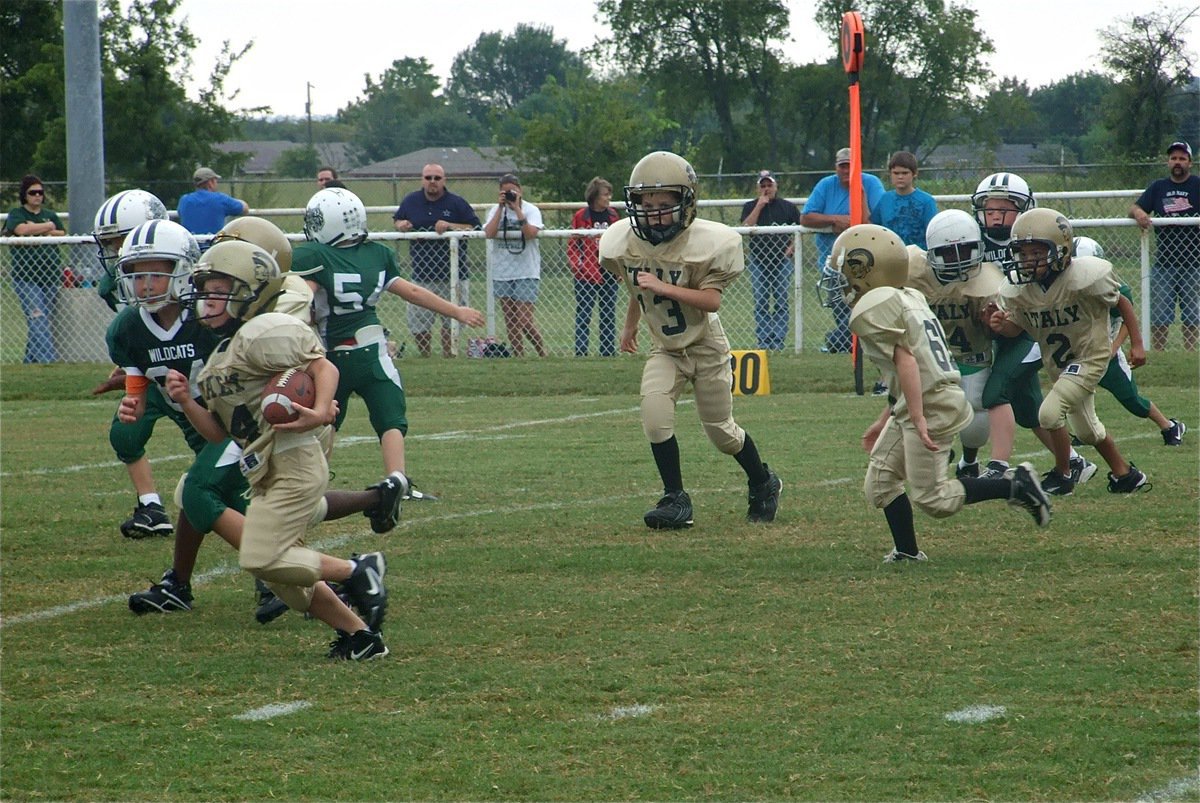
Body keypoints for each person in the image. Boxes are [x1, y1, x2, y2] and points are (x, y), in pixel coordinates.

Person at [124, 216, 403, 629]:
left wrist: (322, 405)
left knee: (226, 513)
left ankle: (349, 570)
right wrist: (174, 394)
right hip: (253, 440)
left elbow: (313, 364)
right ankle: (355, 627)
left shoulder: (271, 315)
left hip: (287, 431)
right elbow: (218, 416)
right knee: (274, 530)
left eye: (221, 280)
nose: (208, 294)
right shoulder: (217, 336)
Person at [819, 223, 1052, 562]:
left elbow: (907, 362)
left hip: (929, 404)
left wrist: (915, 416)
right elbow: (908, 366)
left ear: (867, 270)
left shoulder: (874, 308)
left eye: (845, 271)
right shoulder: (907, 295)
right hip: (924, 398)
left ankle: (1014, 484)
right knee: (881, 484)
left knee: (935, 500)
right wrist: (887, 417)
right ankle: (908, 552)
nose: (839, 281)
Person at [598, 151, 782, 529]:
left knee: (721, 432)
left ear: (686, 204)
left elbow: (712, 301)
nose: (653, 213)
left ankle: (763, 481)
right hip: (665, 348)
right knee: (654, 414)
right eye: (646, 204)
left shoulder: (708, 243)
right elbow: (637, 288)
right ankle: (675, 499)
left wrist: (663, 285)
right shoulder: (624, 242)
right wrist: (630, 325)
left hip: (706, 346)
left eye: (664, 205)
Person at [295, 187, 484, 506]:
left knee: (325, 420)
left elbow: (300, 297)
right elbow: (412, 291)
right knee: (390, 418)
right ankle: (398, 480)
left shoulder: (313, 256)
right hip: (372, 351)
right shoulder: (377, 254)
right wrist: (457, 311)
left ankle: (312, 486)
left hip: (330, 358)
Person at [989, 208, 1149, 495]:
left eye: (1035, 253)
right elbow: (1019, 328)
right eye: (1022, 254)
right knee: (1089, 431)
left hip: (1090, 356)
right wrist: (1002, 325)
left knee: (1048, 414)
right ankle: (1126, 475)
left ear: (1060, 250)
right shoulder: (1020, 290)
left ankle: (1064, 474)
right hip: (1060, 364)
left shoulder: (1084, 277)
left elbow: (1122, 301)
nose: (1026, 261)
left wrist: (1136, 343)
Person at [970, 172, 1095, 490]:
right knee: (1029, 411)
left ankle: (998, 466)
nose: (995, 214)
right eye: (989, 207)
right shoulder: (974, 243)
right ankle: (1076, 463)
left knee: (995, 392)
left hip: (1033, 329)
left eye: (1003, 208)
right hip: (1003, 331)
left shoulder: (1034, 240)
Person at [90, 192, 178, 538]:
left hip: (197, 372)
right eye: (109, 245)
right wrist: (131, 366)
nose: (114, 253)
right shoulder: (115, 284)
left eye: (120, 242)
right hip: (155, 372)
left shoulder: (185, 264)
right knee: (125, 432)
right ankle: (151, 506)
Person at [902, 210, 1005, 482]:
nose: (958, 260)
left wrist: (991, 322)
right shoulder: (912, 268)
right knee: (922, 411)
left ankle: (968, 461)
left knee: (975, 414)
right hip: (928, 357)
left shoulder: (987, 281)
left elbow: (995, 330)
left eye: (965, 250)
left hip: (971, 354)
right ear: (931, 253)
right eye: (948, 253)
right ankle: (933, 457)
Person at [1073, 236, 1186, 447]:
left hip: (1104, 352)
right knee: (1074, 392)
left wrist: (1114, 347)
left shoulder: (1111, 288)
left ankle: (1169, 426)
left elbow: (1127, 318)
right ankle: (1084, 431)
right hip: (1077, 350)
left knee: (1131, 400)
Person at [800, 147, 886, 352]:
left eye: (850, 166)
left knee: (868, 307)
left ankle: (846, 342)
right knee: (841, 308)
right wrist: (834, 219)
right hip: (834, 262)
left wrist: (860, 194)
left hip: (868, 261)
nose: (846, 170)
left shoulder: (871, 184)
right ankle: (847, 342)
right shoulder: (826, 185)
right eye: (842, 166)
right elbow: (805, 217)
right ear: (836, 168)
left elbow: (873, 221)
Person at [393, 163, 481, 357]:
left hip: (453, 275)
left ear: (444, 180)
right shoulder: (411, 201)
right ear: (422, 179)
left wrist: (450, 225)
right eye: (428, 177)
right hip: (421, 274)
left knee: (452, 320)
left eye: (437, 178)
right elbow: (397, 220)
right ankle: (426, 356)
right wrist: (402, 225)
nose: (432, 182)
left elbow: (474, 228)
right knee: (419, 321)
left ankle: (449, 356)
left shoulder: (457, 203)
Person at [1128, 141, 1199, 351]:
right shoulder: (1158, 187)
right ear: (1168, 162)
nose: (1177, 162)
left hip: (1194, 264)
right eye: (1173, 158)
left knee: (1192, 314)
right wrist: (1139, 213)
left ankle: (1190, 353)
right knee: (1159, 314)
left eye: (1182, 158)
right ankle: (1158, 352)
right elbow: (1134, 207)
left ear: (1190, 163)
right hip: (1164, 263)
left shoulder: (1197, 185)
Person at [4, 174, 65, 363]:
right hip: (26, 277)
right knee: (38, 318)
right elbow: (20, 230)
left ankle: (29, 363)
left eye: (40, 192)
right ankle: (49, 362)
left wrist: (40, 227)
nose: (37, 196)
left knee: (41, 320)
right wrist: (47, 228)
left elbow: (61, 231)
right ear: (25, 195)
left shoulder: (51, 215)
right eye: (33, 193)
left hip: (50, 277)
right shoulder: (17, 214)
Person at [484, 173, 547, 357]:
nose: (508, 195)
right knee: (510, 320)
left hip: (526, 270)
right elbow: (489, 232)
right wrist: (500, 208)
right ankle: (519, 356)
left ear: (520, 191)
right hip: (503, 271)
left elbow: (530, 233)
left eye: (512, 191)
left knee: (524, 320)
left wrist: (517, 209)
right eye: (504, 192)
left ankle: (542, 353)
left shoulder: (531, 210)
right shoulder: (495, 210)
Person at [740, 169, 801, 350]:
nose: (767, 189)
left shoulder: (788, 207)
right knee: (761, 302)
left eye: (770, 185)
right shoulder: (750, 206)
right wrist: (760, 205)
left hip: (781, 262)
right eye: (763, 185)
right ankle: (764, 341)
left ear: (776, 186)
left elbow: (800, 231)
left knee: (781, 301)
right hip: (759, 261)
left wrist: (791, 248)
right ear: (758, 188)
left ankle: (778, 341)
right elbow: (746, 226)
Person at [568, 177, 621, 356]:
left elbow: (620, 243)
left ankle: (607, 351)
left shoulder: (613, 216)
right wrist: (578, 266)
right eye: (605, 194)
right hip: (586, 273)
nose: (608, 198)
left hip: (609, 271)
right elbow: (573, 245)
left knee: (608, 314)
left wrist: (620, 268)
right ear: (595, 196)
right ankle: (581, 352)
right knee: (584, 314)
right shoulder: (581, 216)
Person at [871, 150, 937, 249]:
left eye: (905, 173)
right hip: (891, 255)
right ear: (890, 174)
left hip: (919, 256)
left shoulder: (926, 201)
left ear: (914, 174)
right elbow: (874, 226)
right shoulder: (885, 199)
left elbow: (933, 233)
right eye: (896, 173)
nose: (900, 177)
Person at [177, 167, 248, 239]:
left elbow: (180, 214)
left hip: (191, 246)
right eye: (215, 180)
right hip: (214, 245)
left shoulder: (184, 200)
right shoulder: (220, 199)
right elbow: (244, 209)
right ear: (210, 183)